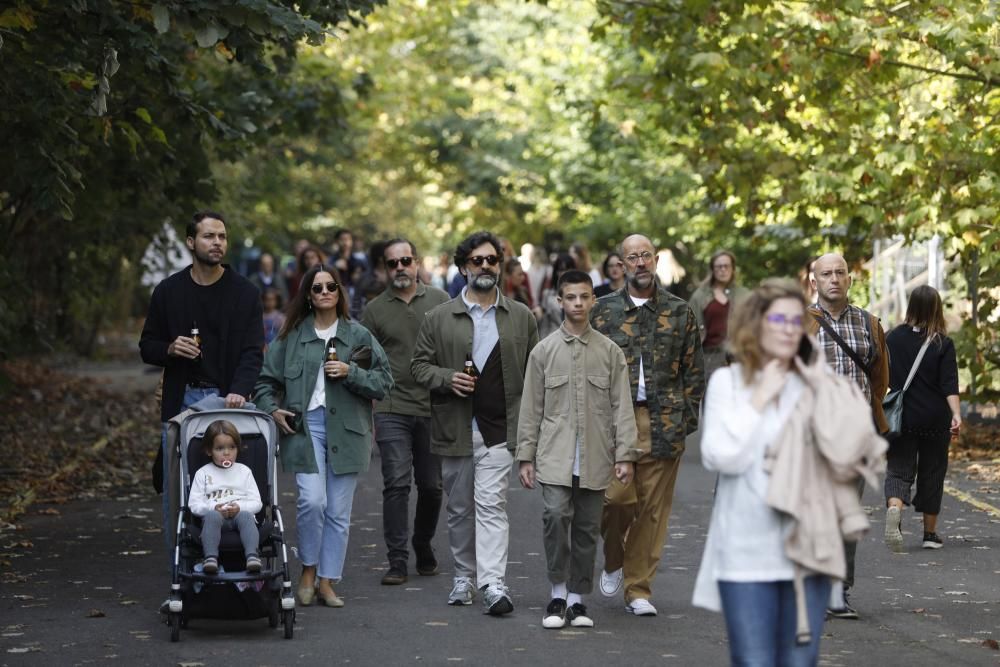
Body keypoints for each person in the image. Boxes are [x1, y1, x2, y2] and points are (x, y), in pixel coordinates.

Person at [693, 278, 885, 666]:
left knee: (801, 661)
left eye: (793, 320)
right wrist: (763, 394)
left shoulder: (816, 386)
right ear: (756, 325)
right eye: (776, 319)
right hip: (746, 553)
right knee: (755, 660)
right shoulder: (727, 385)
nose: (785, 328)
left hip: (808, 550)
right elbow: (719, 456)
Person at [411, 231, 539, 615]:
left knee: (491, 505)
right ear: (464, 266)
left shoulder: (521, 317)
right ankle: (464, 576)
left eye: (492, 261)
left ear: (500, 266)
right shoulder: (438, 317)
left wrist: (533, 433)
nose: (485, 266)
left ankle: (493, 584)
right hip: (454, 427)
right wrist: (447, 378)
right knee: (461, 508)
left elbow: (536, 372)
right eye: (477, 260)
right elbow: (418, 367)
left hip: (501, 429)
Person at [254, 264, 393, 608]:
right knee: (312, 501)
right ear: (308, 296)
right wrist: (273, 410)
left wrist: (352, 372)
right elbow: (265, 383)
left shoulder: (358, 335)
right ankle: (308, 570)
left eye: (332, 286)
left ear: (340, 292)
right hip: (305, 429)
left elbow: (385, 382)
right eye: (317, 288)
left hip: (348, 430)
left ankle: (328, 581)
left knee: (338, 510)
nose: (325, 291)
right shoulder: (292, 337)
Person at [515, 270, 638, 630]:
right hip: (555, 454)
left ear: (593, 301)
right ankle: (557, 592)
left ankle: (577, 600)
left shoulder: (610, 352)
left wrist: (625, 454)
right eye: (571, 297)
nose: (578, 303)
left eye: (585, 297)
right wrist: (526, 455)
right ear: (560, 301)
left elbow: (622, 406)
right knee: (555, 516)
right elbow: (530, 408)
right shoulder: (543, 352)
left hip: (597, 454)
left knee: (586, 527)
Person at [591, 233, 705, 617]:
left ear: (655, 260)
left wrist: (686, 418)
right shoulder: (602, 311)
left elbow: (694, 370)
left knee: (652, 511)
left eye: (646, 256)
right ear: (621, 265)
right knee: (616, 499)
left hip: (664, 419)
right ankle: (612, 559)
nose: (640, 263)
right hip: (614, 421)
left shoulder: (679, 311)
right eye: (631, 257)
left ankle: (638, 588)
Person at [139, 210, 264, 551]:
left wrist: (239, 390)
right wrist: (169, 347)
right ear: (191, 242)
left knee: (226, 486)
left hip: (226, 401)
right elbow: (146, 346)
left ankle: (230, 569)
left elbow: (254, 351)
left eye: (222, 236)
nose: (217, 243)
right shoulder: (168, 291)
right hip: (181, 401)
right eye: (209, 236)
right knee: (178, 494)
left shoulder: (244, 293)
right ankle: (180, 579)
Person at [360, 239, 450, 585]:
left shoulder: (441, 301)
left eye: (405, 261)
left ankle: (422, 543)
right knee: (396, 483)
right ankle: (397, 560)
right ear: (385, 268)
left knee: (432, 486)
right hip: (391, 406)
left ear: (417, 263)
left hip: (433, 405)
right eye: (392, 263)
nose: (400, 268)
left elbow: (455, 348)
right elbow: (363, 358)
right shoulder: (374, 310)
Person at [805, 253, 889, 620]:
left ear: (850, 280)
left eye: (840, 273)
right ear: (814, 281)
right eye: (827, 274)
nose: (834, 279)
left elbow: (880, 379)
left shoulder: (869, 324)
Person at [884, 285, 961, 552]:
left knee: (898, 469)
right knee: (933, 472)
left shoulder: (891, 338)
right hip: (934, 419)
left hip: (901, 418)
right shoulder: (942, 343)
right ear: (937, 308)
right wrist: (957, 415)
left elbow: (880, 375)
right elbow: (950, 385)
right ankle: (930, 534)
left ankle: (895, 507)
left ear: (911, 306)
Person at [188, 419, 263, 575]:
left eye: (232, 447)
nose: (227, 453)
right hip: (214, 518)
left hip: (239, 516)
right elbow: (194, 504)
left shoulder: (244, 471)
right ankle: (210, 558)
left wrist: (240, 507)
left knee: (246, 516)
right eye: (220, 448)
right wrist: (212, 508)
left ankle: (252, 556)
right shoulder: (203, 473)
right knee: (212, 516)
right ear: (209, 450)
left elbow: (257, 502)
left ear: (238, 448)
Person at [688, 250, 750, 379]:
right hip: (709, 358)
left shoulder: (744, 295)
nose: (723, 270)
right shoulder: (700, 296)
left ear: (733, 269)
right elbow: (689, 330)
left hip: (739, 356)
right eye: (719, 266)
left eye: (726, 266)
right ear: (712, 270)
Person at [537, 253, 576, 339]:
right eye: (562, 269)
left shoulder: (580, 295)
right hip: (554, 341)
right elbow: (544, 325)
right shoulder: (547, 295)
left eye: (569, 269)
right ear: (556, 272)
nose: (565, 273)